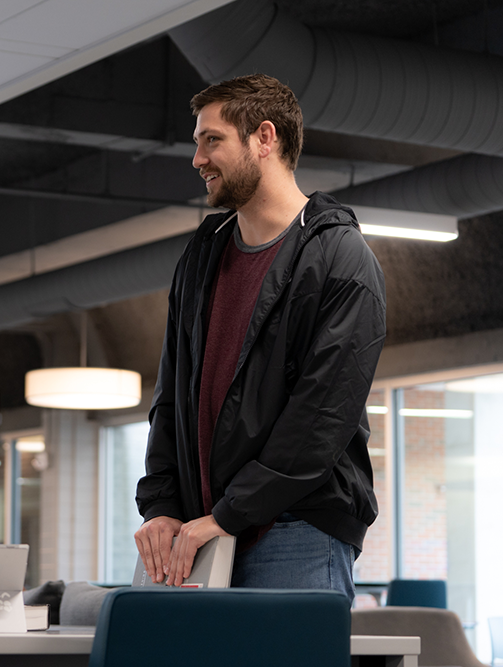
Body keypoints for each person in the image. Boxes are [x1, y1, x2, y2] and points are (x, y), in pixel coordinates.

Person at [134, 74, 385, 600]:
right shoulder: (202, 258)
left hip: (298, 534)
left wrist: (229, 514)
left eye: (212, 139)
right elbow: (171, 398)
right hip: (202, 534)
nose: (197, 158)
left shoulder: (340, 258)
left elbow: (320, 420)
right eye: (197, 141)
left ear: (264, 138)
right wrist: (161, 507)